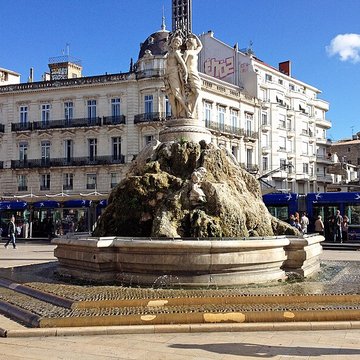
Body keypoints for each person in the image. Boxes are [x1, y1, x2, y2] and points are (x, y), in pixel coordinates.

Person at [164, 34, 189, 118]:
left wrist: (185, 73)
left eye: (178, 42)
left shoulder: (176, 53)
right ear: (172, 42)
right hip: (168, 75)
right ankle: (175, 115)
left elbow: (182, 64)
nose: (176, 43)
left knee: (176, 93)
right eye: (175, 41)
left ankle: (187, 111)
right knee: (171, 96)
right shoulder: (170, 53)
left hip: (174, 74)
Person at [183, 33, 203, 117]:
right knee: (196, 92)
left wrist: (196, 37)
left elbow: (201, 46)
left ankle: (192, 110)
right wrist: (185, 74)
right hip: (190, 72)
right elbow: (183, 63)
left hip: (195, 73)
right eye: (190, 41)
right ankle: (190, 111)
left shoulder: (195, 52)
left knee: (197, 93)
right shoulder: (187, 52)